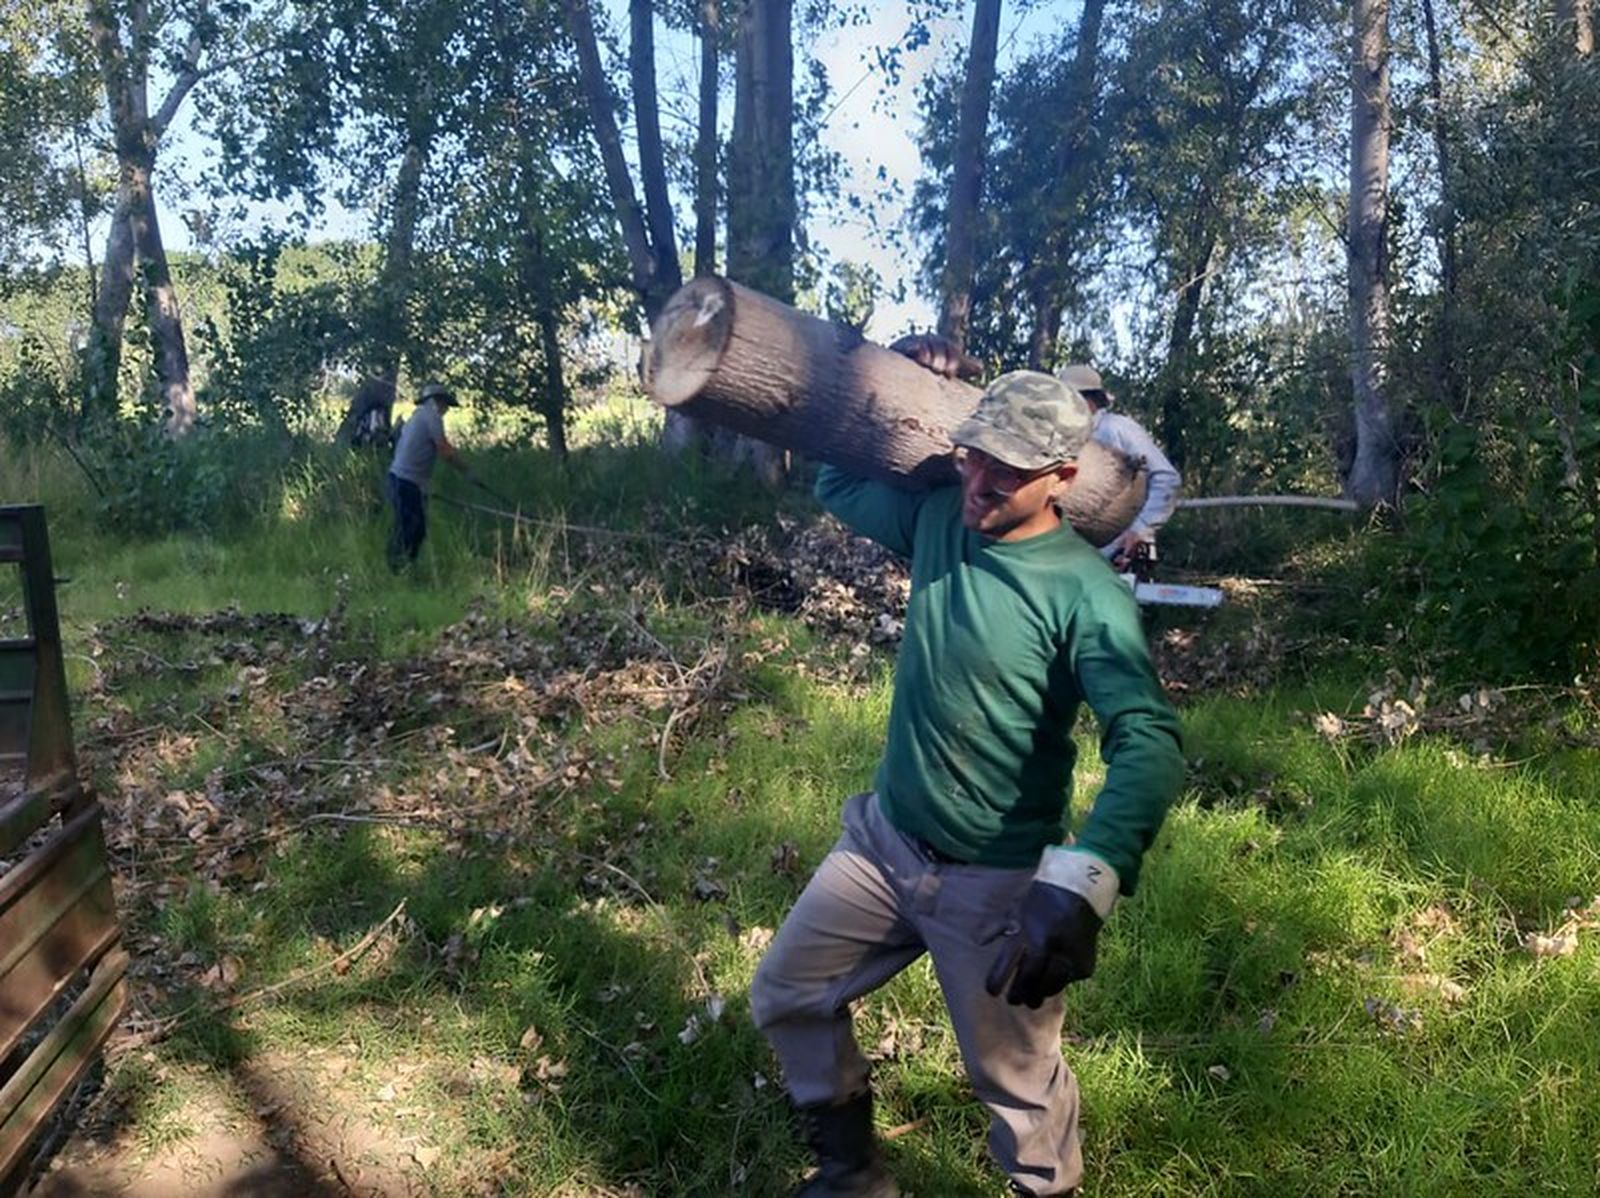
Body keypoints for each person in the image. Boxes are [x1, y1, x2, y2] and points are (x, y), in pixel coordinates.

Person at [749, 369, 1186, 1197]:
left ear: (1064, 475)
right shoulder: (938, 517)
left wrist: (1084, 881)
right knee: (787, 992)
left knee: (1019, 1087)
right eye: (972, 457)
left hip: (993, 878)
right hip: (883, 842)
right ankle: (851, 1173)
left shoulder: (1086, 595)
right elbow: (836, 479)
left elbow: (1150, 740)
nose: (981, 481)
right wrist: (887, 404)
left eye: (1010, 468)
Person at [1057, 364, 1181, 570]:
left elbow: (1166, 478)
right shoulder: (1069, 436)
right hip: (1083, 551)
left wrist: (1140, 530)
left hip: (1122, 549)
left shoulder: (1116, 428)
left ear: (1087, 401)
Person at [386, 382, 470, 570]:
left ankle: (402, 566)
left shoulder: (417, 417)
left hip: (401, 480)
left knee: (412, 527)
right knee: (411, 528)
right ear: (435, 401)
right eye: (444, 404)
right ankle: (398, 568)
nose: (446, 409)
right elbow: (444, 450)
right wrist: (467, 470)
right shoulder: (431, 417)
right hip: (405, 482)